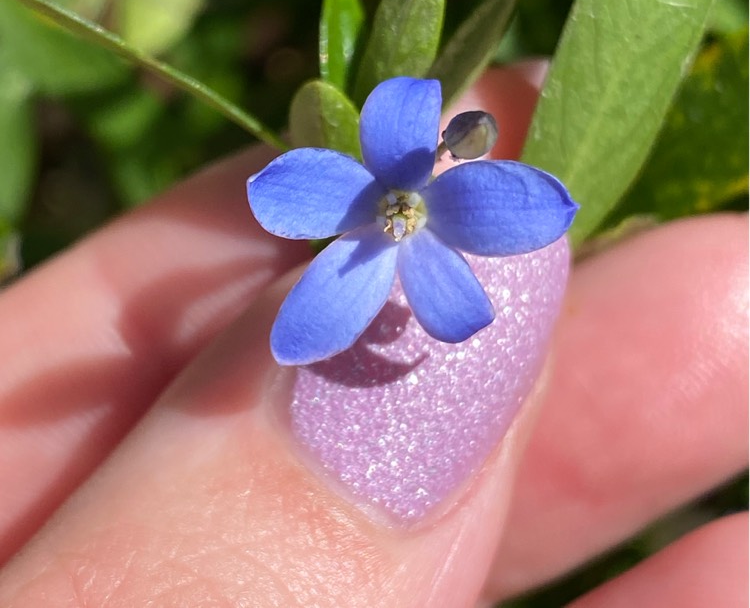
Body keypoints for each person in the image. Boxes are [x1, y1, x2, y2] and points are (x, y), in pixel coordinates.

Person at [0, 64, 745, 607]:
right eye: (398, 211)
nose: (399, 218)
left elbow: (502, 249)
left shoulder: (447, 213)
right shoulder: (360, 176)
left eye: (404, 211)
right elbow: (283, 191)